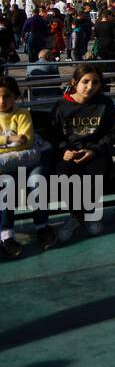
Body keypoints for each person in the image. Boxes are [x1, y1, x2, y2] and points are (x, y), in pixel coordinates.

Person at [50, 64, 115, 243]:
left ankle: (78, 218)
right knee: (63, 178)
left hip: (95, 152)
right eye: (85, 82)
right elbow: (54, 134)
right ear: (74, 82)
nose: (90, 86)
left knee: (98, 175)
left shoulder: (105, 104)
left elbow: (110, 133)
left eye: (95, 82)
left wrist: (94, 150)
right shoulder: (61, 106)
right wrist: (64, 150)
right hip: (70, 153)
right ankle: (84, 216)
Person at [0, 76, 48, 257]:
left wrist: (4, 146)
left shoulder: (22, 114)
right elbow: (18, 140)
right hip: (6, 168)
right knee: (6, 186)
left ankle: (42, 226)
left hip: (26, 161)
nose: (2, 101)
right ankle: (6, 235)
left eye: (7, 96)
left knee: (37, 182)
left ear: (15, 96)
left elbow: (26, 142)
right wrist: (10, 139)